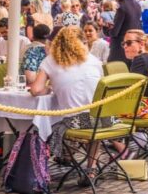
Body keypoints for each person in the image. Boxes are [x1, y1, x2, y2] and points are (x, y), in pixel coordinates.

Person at [29, 26, 104, 164]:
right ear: (83, 42)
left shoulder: (51, 61)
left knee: (52, 123)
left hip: (75, 121)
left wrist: (50, 88)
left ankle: (63, 155)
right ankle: (91, 167)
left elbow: (36, 90)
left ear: (58, 42)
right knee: (92, 121)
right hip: (105, 120)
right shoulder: (94, 60)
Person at [107, 0, 141, 65]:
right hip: (134, 45)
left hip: (120, 48)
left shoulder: (122, 6)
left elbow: (114, 32)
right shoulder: (137, 5)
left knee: (115, 71)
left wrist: (106, 27)